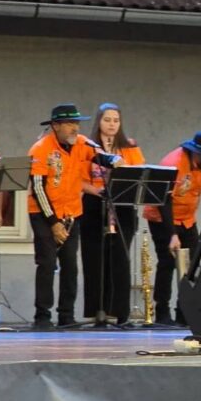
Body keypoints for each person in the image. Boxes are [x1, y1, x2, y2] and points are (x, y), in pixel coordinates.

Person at [28, 104, 119, 329]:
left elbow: (100, 157)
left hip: (72, 212)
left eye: (77, 123)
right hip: (44, 213)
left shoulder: (81, 144)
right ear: (55, 126)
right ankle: (42, 316)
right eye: (69, 123)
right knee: (47, 263)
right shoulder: (40, 149)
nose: (74, 128)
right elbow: (38, 189)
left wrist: (113, 161)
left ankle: (66, 315)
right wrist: (53, 223)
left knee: (70, 265)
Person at [144, 131, 201, 325]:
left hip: (187, 219)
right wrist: (172, 235)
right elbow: (163, 200)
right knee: (167, 262)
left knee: (191, 265)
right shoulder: (173, 164)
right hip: (162, 217)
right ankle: (162, 312)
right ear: (197, 153)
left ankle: (184, 311)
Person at [79, 103, 146, 325]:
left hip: (122, 205)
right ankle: (96, 311)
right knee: (94, 258)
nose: (112, 124)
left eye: (116, 120)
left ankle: (118, 312)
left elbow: (139, 175)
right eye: (107, 120)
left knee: (119, 258)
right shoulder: (87, 147)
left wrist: (120, 165)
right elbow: (79, 179)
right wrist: (96, 190)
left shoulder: (130, 147)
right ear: (99, 121)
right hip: (94, 203)